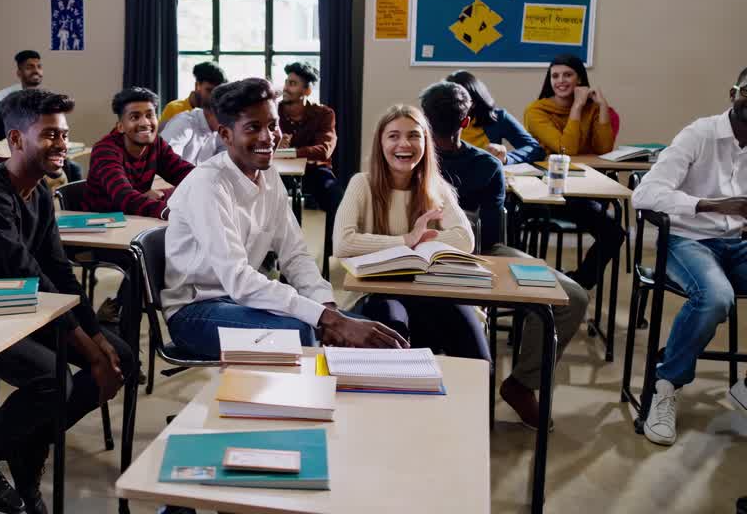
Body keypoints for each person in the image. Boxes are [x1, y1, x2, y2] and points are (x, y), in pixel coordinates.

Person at [0, 89, 134, 514]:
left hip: (14, 306)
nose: (62, 145)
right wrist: (88, 351)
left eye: (64, 134)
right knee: (54, 380)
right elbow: (26, 274)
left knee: (122, 357)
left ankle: (28, 446)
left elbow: (57, 272)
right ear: (16, 140)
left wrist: (98, 342)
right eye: (49, 135)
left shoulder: (39, 192)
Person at [162, 78, 407, 359]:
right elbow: (239, 280)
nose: (268, 137)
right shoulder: (209, 184)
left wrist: (326, 305)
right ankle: (304, 399)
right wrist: (328, 320)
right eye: (253, 128)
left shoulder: (268, 175)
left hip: (243, 302)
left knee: (371, 331)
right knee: (302, 332)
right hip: (196, 314)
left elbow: (295, 255)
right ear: (226, 135)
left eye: (272, 125)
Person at [421, 82, 588, 429]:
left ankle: (521, 385)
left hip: (481, 256)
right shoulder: (413, 159)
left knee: (570, 296)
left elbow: (490, 241)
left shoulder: (483, 164)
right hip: (423, 257)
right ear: (467, 122)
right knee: (573, 296)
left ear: (423, 119)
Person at [631, 67, 747, 446]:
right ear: (734, 93)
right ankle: (665, 387)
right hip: (687, 242)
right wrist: (713, 204)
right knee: (715, 297)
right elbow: (645, 195)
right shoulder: (700, 134)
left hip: (739, 244)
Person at [333, 104, 491, 362]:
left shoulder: (436, 187)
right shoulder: (361, 184)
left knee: (479, 360)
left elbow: (464, 239)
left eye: (414, 135)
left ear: (425, 143)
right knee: (393, 331)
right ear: (380, 144)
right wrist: (407, 240)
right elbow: (343, 244)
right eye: (393, 136)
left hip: (433, 290)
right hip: (379, 291)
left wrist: (417, 242)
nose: (404, 144)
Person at [524, 54, 624, 290]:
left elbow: (604, 148)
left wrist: (601, 107)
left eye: (567, 75)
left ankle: (580, 282)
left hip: (580, 190)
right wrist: (577, 107)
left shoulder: (591, 109)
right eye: (555, 76)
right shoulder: (536, 111)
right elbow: (566, 149)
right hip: (548, 191)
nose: (561, 81)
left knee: (614, 234)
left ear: (580, 78)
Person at [84, 87, 193, 220]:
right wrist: (167, 211)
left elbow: (187, 174)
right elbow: (124, 197)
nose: (145, 123)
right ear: (120, 126)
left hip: (136, 219)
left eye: (149, 115)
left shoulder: (156, 144)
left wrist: (213, 182)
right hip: (104, 226)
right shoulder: (105, 151)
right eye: (135, 117)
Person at [278, 61, 341, 213]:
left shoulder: (324, 114)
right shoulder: (275, 111)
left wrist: (290, 152)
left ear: (307, 91)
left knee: (334, 194)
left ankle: (334, 237)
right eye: (286, 82)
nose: (286, 88)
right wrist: (278, 148)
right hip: (279, 171)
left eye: (292, 83)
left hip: (314, 171)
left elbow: (324, 150)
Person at [446, 70, 544, 165]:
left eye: (461, 101)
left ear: (475, 101)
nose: (454, 106)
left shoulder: (498, 118)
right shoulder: (435, 118)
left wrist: (506, 159)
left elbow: (535, 149)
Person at [160, 61, 226, 126]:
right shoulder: (174, 109)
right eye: (209, 90)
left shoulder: (220, 113)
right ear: (197, 85)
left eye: (217, 91)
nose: (213, 95)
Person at [0, 50, 43, 125]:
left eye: (39, 67)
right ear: (19, 73)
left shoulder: (46, 98)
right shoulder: (1, 98)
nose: (36, 70)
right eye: (29, 67)